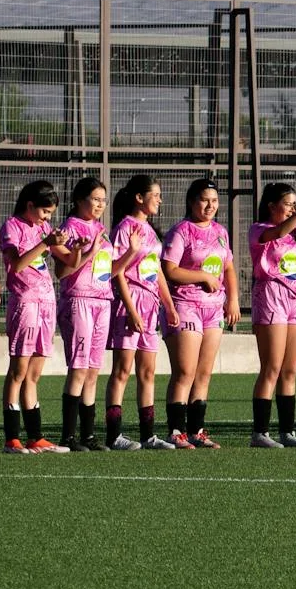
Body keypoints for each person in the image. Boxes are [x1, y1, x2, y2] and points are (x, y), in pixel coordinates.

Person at [161, 178, 239, 448]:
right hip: (185, 305)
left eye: (214, 201)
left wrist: (233, 299)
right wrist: (202, 276)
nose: (210, 205)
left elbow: (228, 267)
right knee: (185, 371)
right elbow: (169, 270)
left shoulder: (220, 231)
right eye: (204, 200)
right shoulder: (181, 231)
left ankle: (197, 430)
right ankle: (176, 431)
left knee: (204, 373)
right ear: (192, 201)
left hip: (213, 308)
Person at [0, 179, 72, 454]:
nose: (47, 218)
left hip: (46, 303)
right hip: (25, 303)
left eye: (50, 214)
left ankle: (35, 436)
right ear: (30, 205)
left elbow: (68, 260)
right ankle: (12, 438)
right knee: (18, 371)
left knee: (35, 374)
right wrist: (45, 243)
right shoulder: (11, 227)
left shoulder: (43, 229)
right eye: (44, 212)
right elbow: (16, 265)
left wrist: (78, 248)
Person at [247, 179, 296, 448]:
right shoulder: (259, 229)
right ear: (271, 206)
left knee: (290, 370)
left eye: (294, 205)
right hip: (271, 299)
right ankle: (260, 433)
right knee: (272, 367)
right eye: (288, 204)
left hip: (295, 302)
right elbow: (276, 234)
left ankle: (287, 432)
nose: (292, 209)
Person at [105, 174, 175, 450]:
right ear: (139, 197)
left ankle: (148, 435)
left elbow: (155, 269)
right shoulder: (125, 228)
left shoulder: (150, 230)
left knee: (148, 371)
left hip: (150, 305)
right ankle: (114, 435)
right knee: (122, 370)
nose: (159, 199)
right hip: (129, 302)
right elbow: (118, 272)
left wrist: (168, 305)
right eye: (155, 194)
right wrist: (131, 310)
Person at [53, 177, 113, 452]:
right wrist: (89, 251)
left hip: (103, 300)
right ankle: (69, 435)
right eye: (95, 199)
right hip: (79, 300)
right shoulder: (69, 228)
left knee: (93, 370)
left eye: (103, 199)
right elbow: (64, 270)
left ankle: (89, 435)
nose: (100, 204)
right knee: (78, 368)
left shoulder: (101, 228)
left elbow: (109, 266)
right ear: (79, 200)